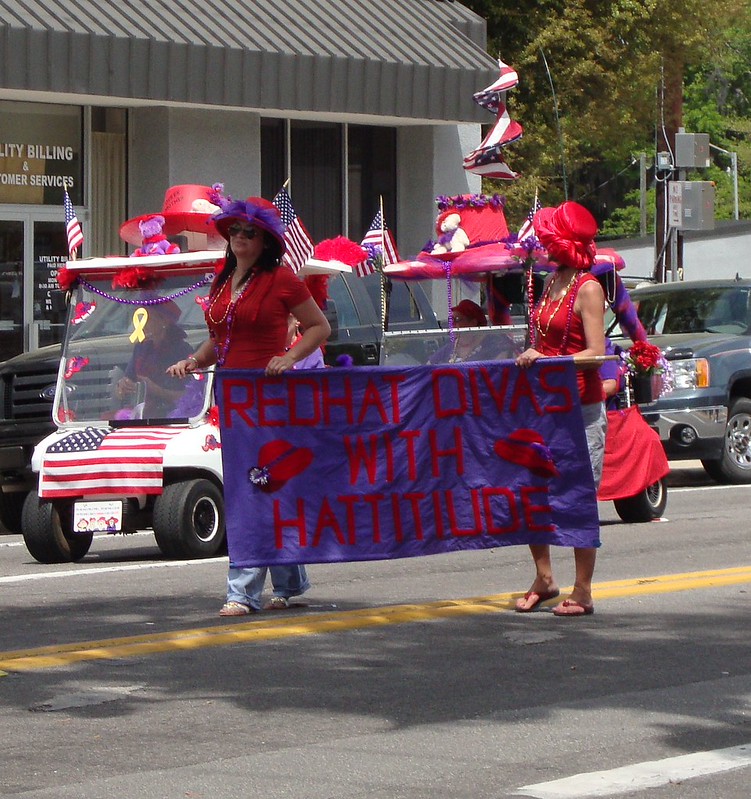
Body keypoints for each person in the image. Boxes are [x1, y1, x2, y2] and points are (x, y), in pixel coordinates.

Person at [167, 196, 330, 616]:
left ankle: (241, 591)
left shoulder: (282, 279)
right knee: (266, 486)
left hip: (269, 398)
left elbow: (318, 326)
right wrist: (193, 360)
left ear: (265, 240)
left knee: (252, 487)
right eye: (234, 231)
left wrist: (289, 357)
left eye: (249, 232)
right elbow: (219, 339)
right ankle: (291, 580)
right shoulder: (222, 281)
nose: (240, 238)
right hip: (233, 396)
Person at [515, 201, 607, 617]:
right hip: (544, 407)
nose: (541, 242)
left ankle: (583, 590)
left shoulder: (588, 287)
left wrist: (549, 361)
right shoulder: (551, 281)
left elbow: (595, 353)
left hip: (581, 409)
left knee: (577, 496)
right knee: (535, 491)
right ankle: (544, 578)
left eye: (548, 236)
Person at [117, 301, 192, 418]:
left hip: (171, 414)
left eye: (147, 319)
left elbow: (187, 396)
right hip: (140, 411)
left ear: (164, 321)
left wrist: (153, 388)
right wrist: (123, 386)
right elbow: (128, 381)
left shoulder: (182, 350)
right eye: (140, 319)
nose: (142, 324)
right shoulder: (141, 347)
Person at [430, 299, 501, 364]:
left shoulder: (493, 344)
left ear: (473, 323)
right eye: (451, 320)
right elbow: (428, 367)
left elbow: (499, 369)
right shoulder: (451, 347)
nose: (452, 324)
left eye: (457, 319)